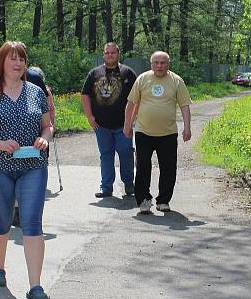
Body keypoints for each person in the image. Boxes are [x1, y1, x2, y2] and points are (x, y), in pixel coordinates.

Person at [0, 41, 54, 299]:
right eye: (12, 59)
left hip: (33, 167)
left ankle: (36, 286)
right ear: (2, 62)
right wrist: (0, 144)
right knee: (1, 222)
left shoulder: (34, 92)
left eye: (22, 59)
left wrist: (44, 139)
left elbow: (47, 126)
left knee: (32, 223)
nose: (18, 64)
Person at [123, 51, 191, 214]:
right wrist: (127, 125)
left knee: (168, 168)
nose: (159, 66)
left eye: (163, 63)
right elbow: (131, 103)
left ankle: (163, 201)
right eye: (156, 63)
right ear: (151, 64)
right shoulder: (142, 79)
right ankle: (144, 200)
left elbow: (184, 105)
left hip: (168, 133)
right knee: (143, 167)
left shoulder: (176, 81)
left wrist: (187, 127)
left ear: (168, 64)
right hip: (143, 132)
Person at [81, 42, 137, 197]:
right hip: (101, 125)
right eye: (107, 53)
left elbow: (137, 98)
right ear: (103, 54)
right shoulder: (94, 73)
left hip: (123, 125)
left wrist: (131, 121)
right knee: (106, 155)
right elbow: (85, 95)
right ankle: (106, 187)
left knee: (126, 153)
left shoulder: (128, 73)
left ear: (118, 54)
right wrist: (89, 116)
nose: (110, 55)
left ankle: (128, 183)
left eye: (113, 53)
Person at [12, 66, 56, 228]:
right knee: (13, 170)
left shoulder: (35, 79)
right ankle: (15, 209)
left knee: (29, 169)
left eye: (20, 58)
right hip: (10, 137)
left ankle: (22, 210)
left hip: (35, 134)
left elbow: (46, 104)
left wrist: (49, 128)